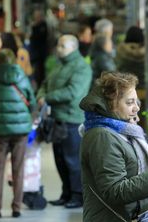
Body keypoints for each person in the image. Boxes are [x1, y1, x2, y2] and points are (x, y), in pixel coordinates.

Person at [79, 71, 148, 222]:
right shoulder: (102, 136)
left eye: (137, 102)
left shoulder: (122, 128)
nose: (136, 108)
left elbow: (134, 152)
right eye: (129, 103)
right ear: (110, 104)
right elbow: (114, 191)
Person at [36, 35, 92, 209]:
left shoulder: (82, 67)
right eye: (58, 45)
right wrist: (41, 96)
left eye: (62, 46)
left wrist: (48, 98)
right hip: (57, 119)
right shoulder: (59, 65)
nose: (58, 49)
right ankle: (66, 193)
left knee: (72, 160)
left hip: (72, 120)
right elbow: (44, 84)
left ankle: (78, 195)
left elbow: (73, 92)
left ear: (73, 47)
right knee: (60, 159)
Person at [0, 49, 36, 219]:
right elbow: (32, 103)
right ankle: (16, 208)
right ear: (13, 61)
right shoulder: (22, 77)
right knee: (18, 169)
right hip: (20, 131)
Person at [116, 26, 147, 130]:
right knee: (142, 120)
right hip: (144, 92)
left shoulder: (121, 51)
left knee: (127, 121)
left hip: (126, 92)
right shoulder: (147, 53)